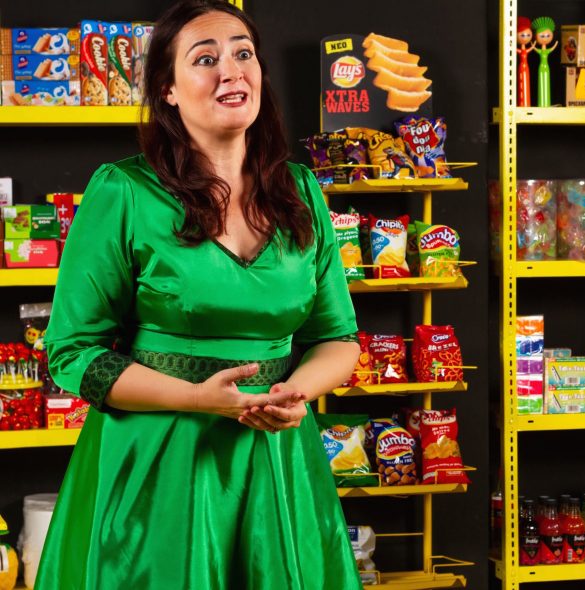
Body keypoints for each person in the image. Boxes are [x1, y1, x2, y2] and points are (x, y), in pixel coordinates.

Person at [36, 1, 362, 588]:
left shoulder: (301, 191)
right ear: (167, 89)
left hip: (276, 460)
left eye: (243, 53)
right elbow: (72, 352)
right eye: (205, 59)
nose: (231, 71)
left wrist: (296, 394)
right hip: (159, 464)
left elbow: (337, 338)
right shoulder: (124, 191)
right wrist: (196, 398)